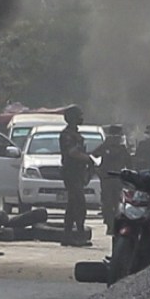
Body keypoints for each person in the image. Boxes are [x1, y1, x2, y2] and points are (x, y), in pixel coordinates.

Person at [58, 105, 92, 245]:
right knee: (79, 204)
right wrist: (89, 159)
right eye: (79, 115)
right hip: (71, 172)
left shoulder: (75, 134)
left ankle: (71, 236)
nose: (82, 118)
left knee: (73, 204)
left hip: (77, 172)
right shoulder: (67, 135)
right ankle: (76, 235)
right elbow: (72, 153)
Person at [92, 126, 131, 234]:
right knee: (110, 203)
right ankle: (111, 225)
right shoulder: (108, 147)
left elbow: (129, 164)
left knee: (114, 203)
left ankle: (112, 225)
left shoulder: (119, 148)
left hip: (114, 179)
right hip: (110, 179)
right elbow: (94, 156)